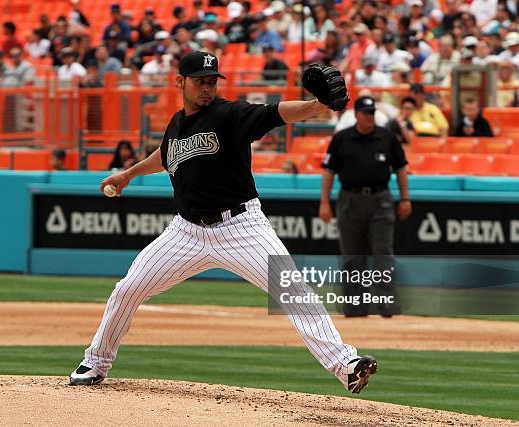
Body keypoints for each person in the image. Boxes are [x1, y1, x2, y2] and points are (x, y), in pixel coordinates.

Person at [69, 51, 378, 394]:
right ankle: (96, 362)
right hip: (185, 232)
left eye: (212, 80)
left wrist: (317, 105)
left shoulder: (230, 114)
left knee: (293, 290)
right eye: (199, 80)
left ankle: (345, 365)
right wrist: (128, 174)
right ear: (179, 82)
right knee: (127, 289)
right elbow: (167, 153)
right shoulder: (176, 124)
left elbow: (275, 113)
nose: (207, 87)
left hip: (241, 227)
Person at [320, 95, 410, 318]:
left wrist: (405, 198)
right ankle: (354, 307)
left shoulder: (387, 137)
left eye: (373, 113)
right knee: (352, 255)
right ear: (357, 114)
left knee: (383, 254)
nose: (371, 117)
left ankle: (387, 305)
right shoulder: (342, 138)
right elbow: (328, 171)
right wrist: (324, 202)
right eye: (367, 113)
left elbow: (401, 169)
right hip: (349, 199)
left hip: (381, 198)